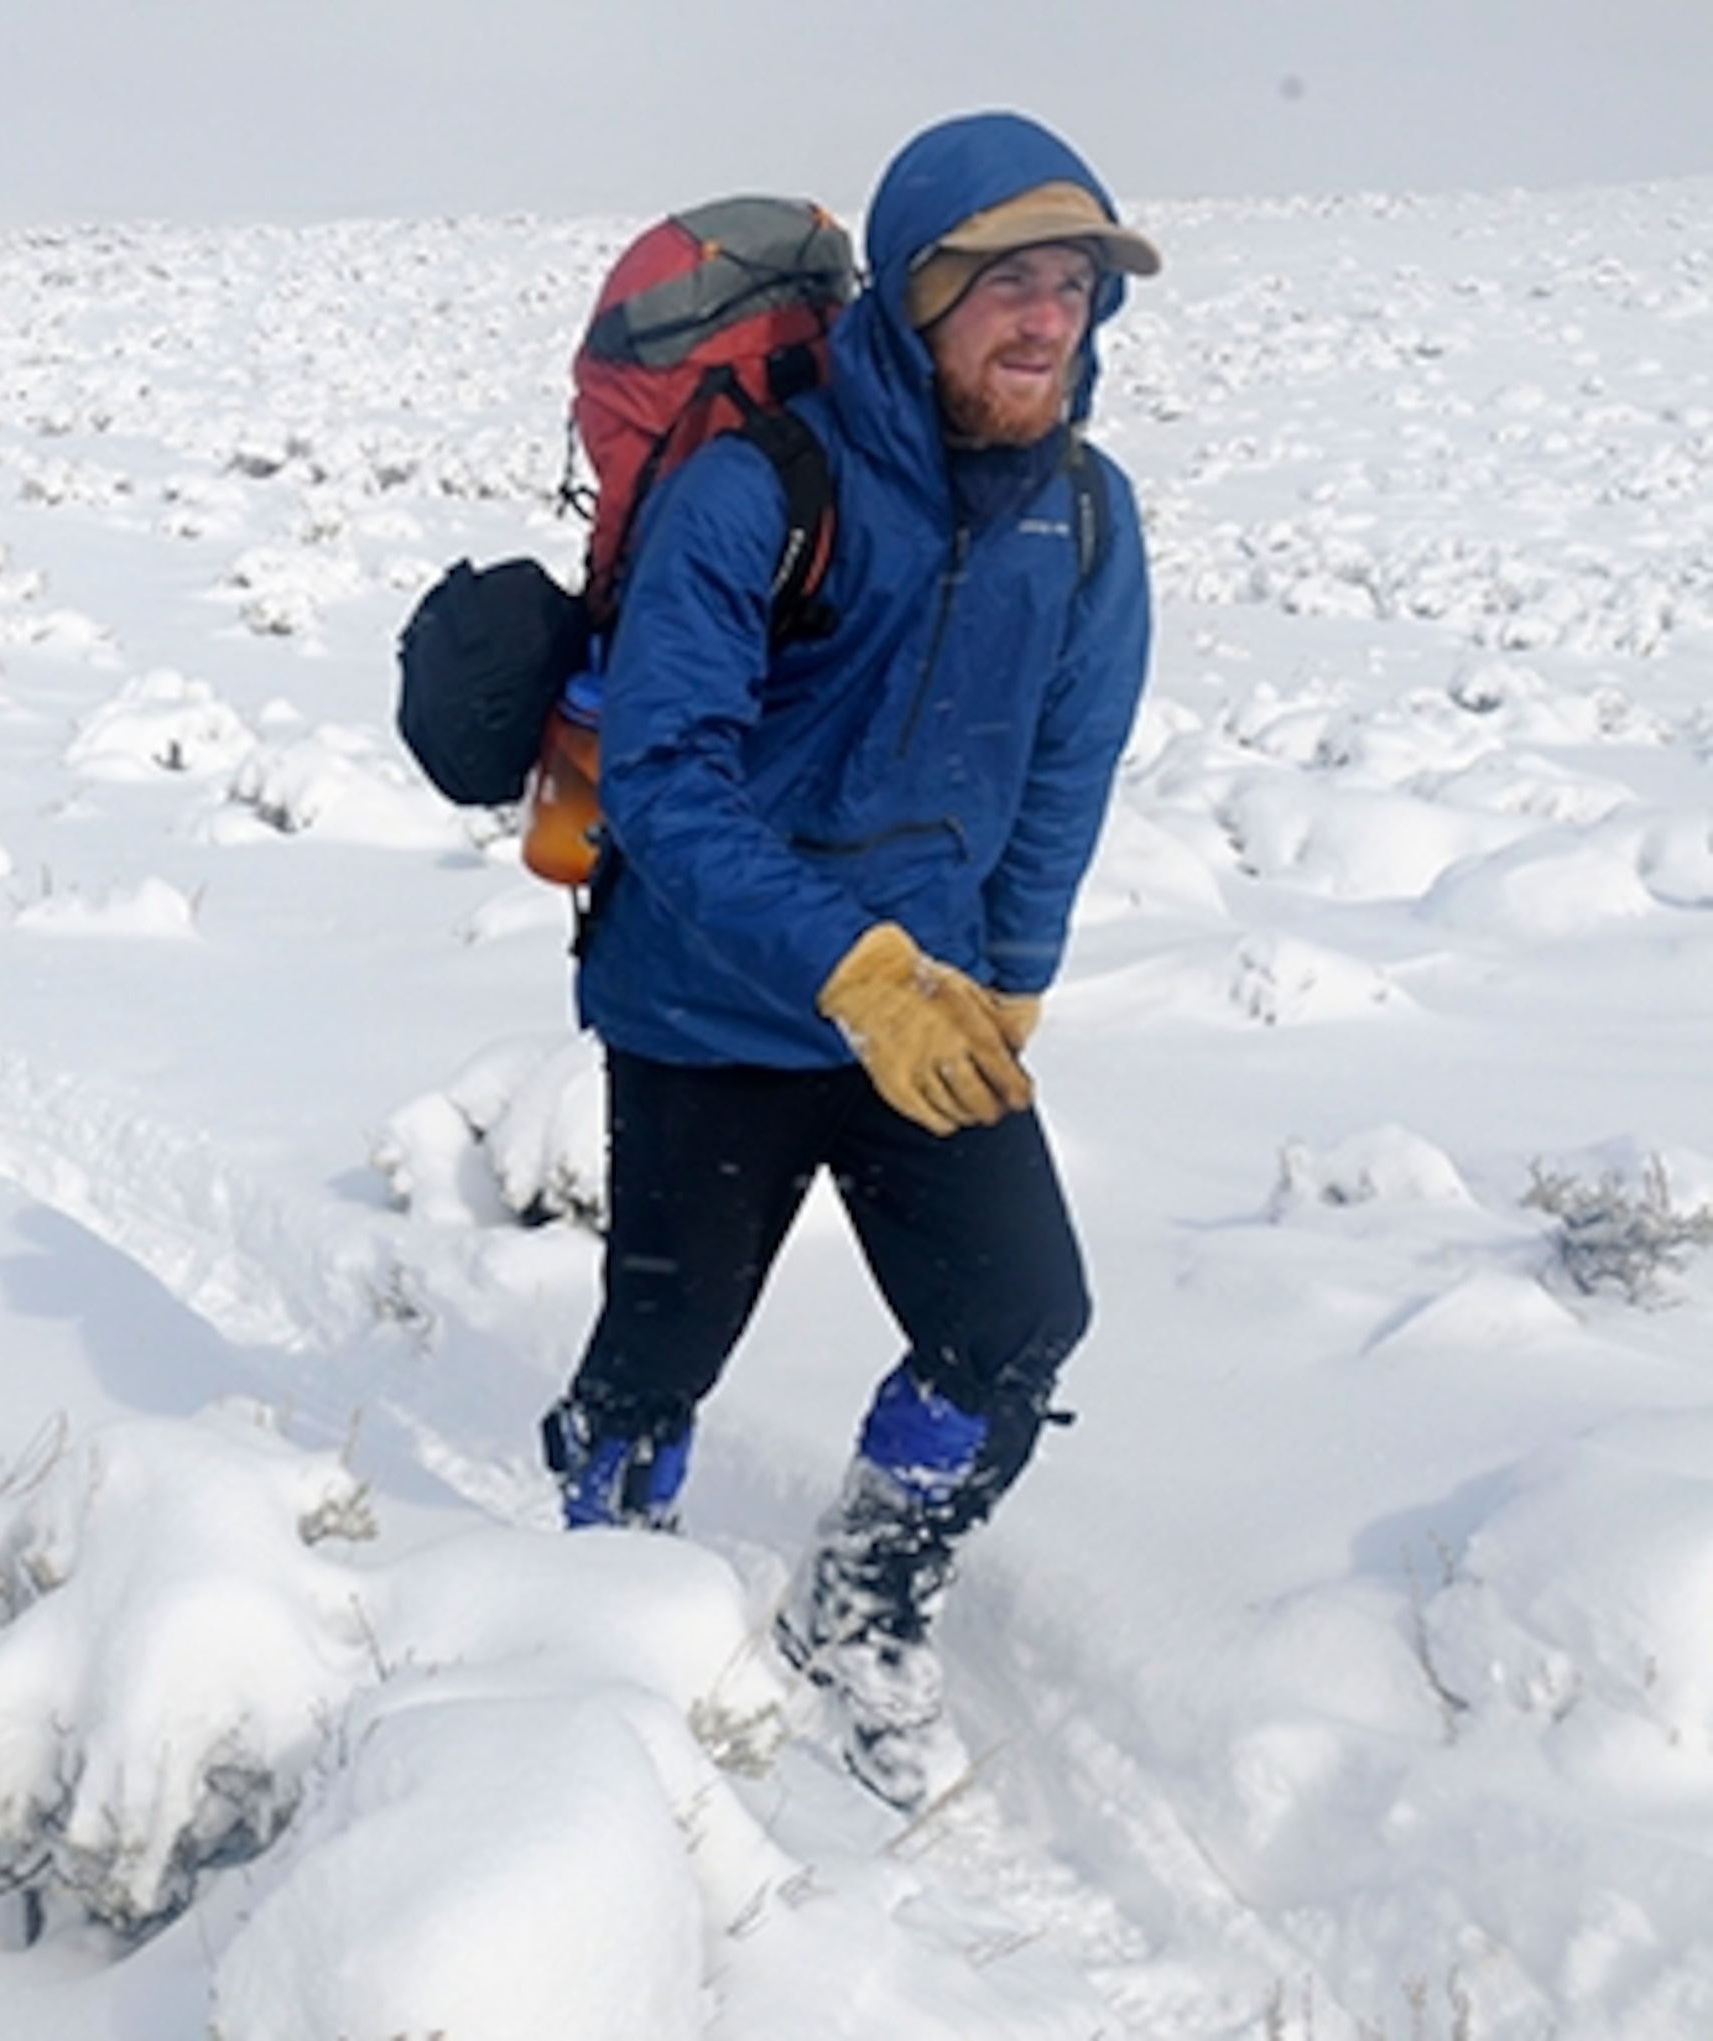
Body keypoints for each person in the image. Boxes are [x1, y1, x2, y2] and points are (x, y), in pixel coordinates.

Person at [537, 111, 1159, 1809]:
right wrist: (852, 969)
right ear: (917, 294)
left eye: (1074, 287)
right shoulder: (761, 488)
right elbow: (661, 774)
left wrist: (1002, 979)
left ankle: (864, 1596)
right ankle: (588, 1602)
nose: (1044, 321)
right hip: (708, 1009)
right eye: (1003, 283)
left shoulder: (1088, 525)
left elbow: (1059, 775)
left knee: (1019, 1320)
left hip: (925, 1018)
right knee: (654, 1365)